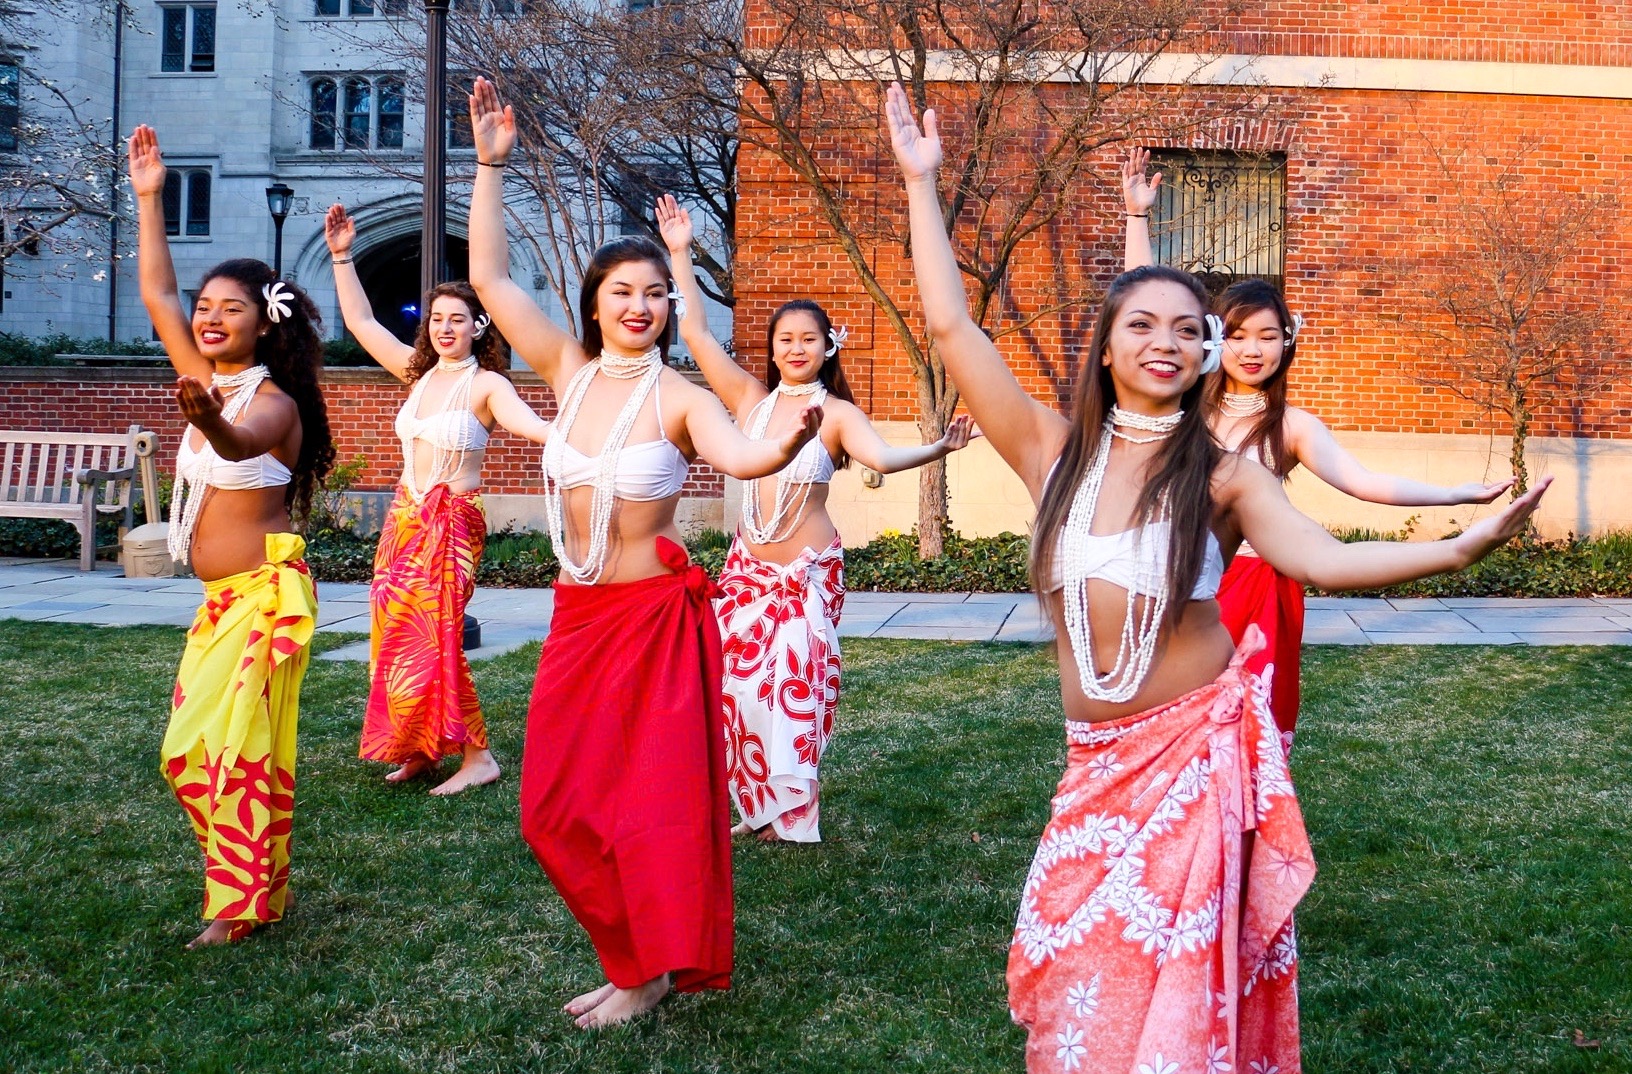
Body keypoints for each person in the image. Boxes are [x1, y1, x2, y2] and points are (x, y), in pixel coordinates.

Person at [886, 83, 1549, 1073]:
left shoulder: (1226, 473)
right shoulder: (1050, 447)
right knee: (1079, 984)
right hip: (1095, 766)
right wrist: (920, 185)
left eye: (1189, 329)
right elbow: (951, 331)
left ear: (1205, 356)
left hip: (1195, 758)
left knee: (1174, 1010)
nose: (1168, 341)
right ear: (1106, 350)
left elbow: (1323, 557)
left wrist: (1455, 549)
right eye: (1144, 324)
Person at [465, 77, 823, 1027]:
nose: (642, 304)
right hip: (577, 617)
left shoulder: (678, 398)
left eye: (657, 293)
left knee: (651, 812)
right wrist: (492, 169)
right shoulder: (567, 373)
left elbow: (740, 450)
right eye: (624, 291)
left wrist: (783, 446)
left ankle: (645, 972)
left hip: (655, 622)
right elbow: (494, 282)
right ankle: (635, 957)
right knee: (550, 810)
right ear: (593, 301)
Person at [1120, 148, 1513, 745]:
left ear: (1286, 344)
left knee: (1250, 734)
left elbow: (1364, 481)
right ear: (1216, 341)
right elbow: (1141, 309)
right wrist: (1138, 220)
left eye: (1270, 336)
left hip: (1262, 586)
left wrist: (1456, 493)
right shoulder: (1180, 409)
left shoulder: (1291, 427)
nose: (1254, 350)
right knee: (1175, 728)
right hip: (1181, 580)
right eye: (1241, 335)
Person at [656, 194, 977, 843]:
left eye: (808, 339)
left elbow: (883, 454)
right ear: (772, 349)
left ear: (828, 346)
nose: (796, 348)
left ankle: (793, 814)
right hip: (746, 572)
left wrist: (939, 445)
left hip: (806, 577)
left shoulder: (836, 415)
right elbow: (691, 334)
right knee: (738, 694)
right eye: (785, 339)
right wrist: (680, 252)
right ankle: (761, 805)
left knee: (792, 695)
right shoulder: (747, 399)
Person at [129, 124, 336, 949]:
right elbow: (155, 296)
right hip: (220, 603)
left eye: (230, 309)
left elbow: (240, 445)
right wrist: (150, 198)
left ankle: (238, 906)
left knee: (237, 753)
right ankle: (247, 887)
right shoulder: (207, 379)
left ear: (266, 325)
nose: (209, 319)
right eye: (206, 308)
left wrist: (210, 420)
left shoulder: (272, 404)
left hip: (262, 598)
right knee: (188, 753)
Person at [324, 205, 554, 796]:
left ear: (480, 326)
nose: (445, 327)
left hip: (453, 522)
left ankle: (477, 757)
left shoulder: (488, 385)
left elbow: (536, 429)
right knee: (395, 634)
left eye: (458, 319)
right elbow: (360, 321)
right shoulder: (418, 375)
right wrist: (343, 257)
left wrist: (596, 432)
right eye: (436, 319)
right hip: (404, 520)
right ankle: (421, 747)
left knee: (440, 635)